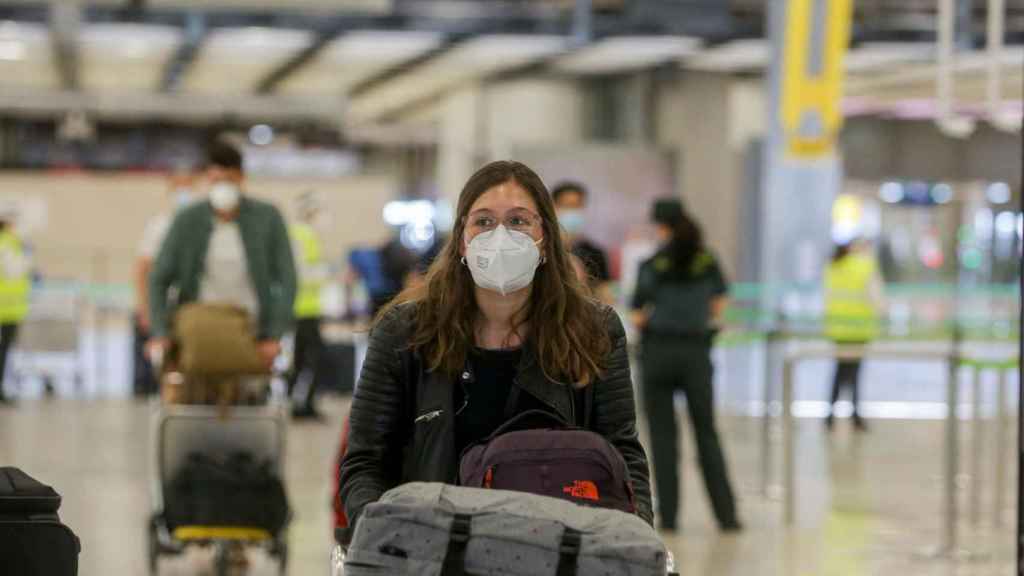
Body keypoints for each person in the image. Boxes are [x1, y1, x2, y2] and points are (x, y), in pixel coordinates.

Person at [339, 161, 653, 528]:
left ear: (546, 242)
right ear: (461, 241)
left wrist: (635, 536)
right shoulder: (404, 332)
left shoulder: (593, 329)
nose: (500, 235)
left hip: (559, 548)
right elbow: (365, 462)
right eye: (484, 222)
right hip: (434, 547)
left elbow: (624, 456)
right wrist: (387, 537)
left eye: (519, 221)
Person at [631, 198, 740, 533]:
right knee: (706, 433)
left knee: (663, 440)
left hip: (658, 354)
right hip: (695, 353)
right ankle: (726, 516)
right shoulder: (707, 261)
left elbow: (637, 313)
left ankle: (671, 518)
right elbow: (719, 304)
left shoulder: (653, 263)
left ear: (663, 227)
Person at [147, 139, 296, 378]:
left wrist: (274, 335)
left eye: (229, 180)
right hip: (198, 329)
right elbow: (158, 278)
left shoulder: (267, 218)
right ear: (207, 179)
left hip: (252, 330)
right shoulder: (187, 221)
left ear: (241, 179)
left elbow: (287, 279)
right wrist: (160, 332)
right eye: (216, 181)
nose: (223, 187)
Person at [133, 169, 195, 397]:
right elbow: (143, 269)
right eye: (179, 186)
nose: (183, 191)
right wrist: (144, 307)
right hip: (165, 308)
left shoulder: (201, 224)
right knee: (168, 367)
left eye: (187, 185)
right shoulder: (159, 225)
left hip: (191, 309)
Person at [824, 240, 884, 431]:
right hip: (858, 329)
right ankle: (855, 415)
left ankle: (831, 415)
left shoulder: (833, 265)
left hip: (838, 328)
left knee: (839, 371)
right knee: (854, 373)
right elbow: (878, 299)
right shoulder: (865, 267)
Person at [288, 191, 328, 420]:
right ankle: (303, 405)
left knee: (302, 360)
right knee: (312, 360)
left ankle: (300, 404)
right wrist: (325, 274)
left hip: (306, 309)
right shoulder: (303, 235)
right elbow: (303, 272)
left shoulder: (303, 234)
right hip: (304, 310)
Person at [550, 181, 612, 301]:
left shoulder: (596, 253)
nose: (573, 212)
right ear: (553, 207)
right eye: (567, 205)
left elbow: (605, 296)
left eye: (578, 206)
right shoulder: (544, 250)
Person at [0, 210, 28, 405]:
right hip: (7, 308)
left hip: (9, 308)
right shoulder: (8, 244)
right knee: (3, 352)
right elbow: (16, 270)